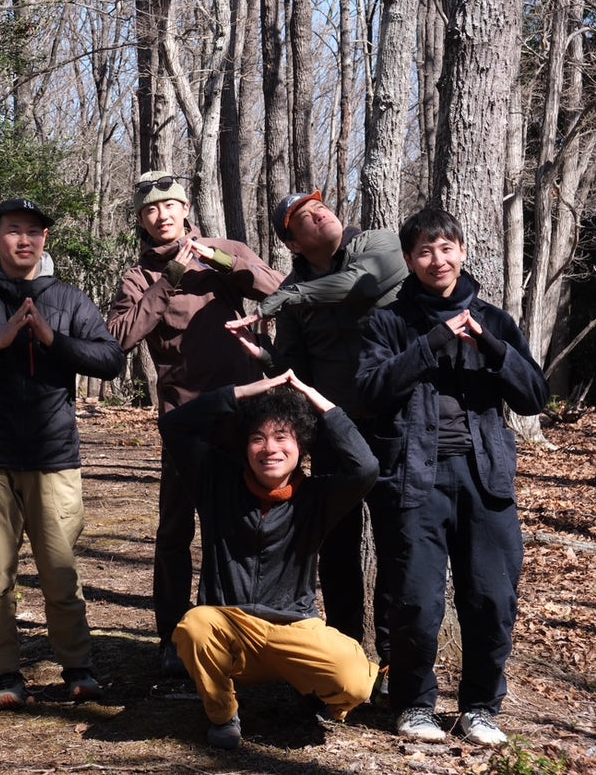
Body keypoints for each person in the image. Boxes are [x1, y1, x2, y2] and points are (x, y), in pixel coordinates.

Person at [356, 208, 548, 747]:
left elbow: (533, 396)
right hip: (414, 477)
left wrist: (489, 346)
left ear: (461, 250)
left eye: (445, 249)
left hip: (486, 478)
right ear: (410, 260)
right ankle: (415, 704)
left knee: (491, 597)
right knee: (416, 600)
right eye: (423, 251)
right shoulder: (388, 323)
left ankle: (480, 707)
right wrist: (433, 343)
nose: (436, 260)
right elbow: (369, 394)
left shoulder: (495, 319)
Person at [0, 198, 125, 709]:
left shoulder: (69, 299)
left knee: (60, 571)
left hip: (55, 458)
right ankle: (6, 675)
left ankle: (77, 668)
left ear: (45, 241)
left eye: (34, 232)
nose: (25, 240)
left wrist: (51, 338)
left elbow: (110, 360)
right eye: (13, 230)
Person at [106, 170, 282, 674]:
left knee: (242, 525)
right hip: (185, 418)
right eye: (150, 211)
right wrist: (171, 280)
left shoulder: (224, 249)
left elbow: (278, 290)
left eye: (170, 207)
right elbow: (119, 336)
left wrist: (221, 262)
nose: (162, 217)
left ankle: (242, 630)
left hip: (245, 409)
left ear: (186, 210)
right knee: (176, 529)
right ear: (141, 220)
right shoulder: (139, 276)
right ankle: (172, 639)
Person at [160, 372, 381, 749]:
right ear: (245, 447)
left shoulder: (316, 498)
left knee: (357, 679)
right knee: (194, 626)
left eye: (283, 438)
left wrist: (315, 398)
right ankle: (224, 716)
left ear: (301, 447)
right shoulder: (215, 483)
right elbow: (174, 425)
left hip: (294, 629)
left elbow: (365, 468)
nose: (270, 449)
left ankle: (319, 704)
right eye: (258, 438)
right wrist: (243, 391)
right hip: (229, 626)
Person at [227, 191, 407, 651]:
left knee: (398, 544)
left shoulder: (380, 243)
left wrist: (285, 299)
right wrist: (266, 357)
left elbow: (362, 284)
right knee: (339, 547)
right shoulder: (292, 294)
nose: (319, 213)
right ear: (293, 243)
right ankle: (344, 653)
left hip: (396, 424)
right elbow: (294, 368)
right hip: (334, 430)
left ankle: (391, 660)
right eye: (303, 217)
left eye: (319, 206)